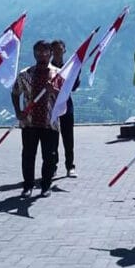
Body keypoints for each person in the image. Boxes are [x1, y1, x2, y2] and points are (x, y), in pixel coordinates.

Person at [11, 40, 62, 198]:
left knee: (49, 156)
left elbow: (64, 96)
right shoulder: (25, 74)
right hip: (29, 122)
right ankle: (28, 186)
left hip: (50, 122)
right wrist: (18, 111)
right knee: (28, 155)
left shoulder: (58, 74)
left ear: (50, 53)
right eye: (38, 52)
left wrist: (53, 90)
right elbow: (15, 93)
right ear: (34, 54)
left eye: (45, 52)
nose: (42, 55)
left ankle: (46, 186)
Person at [51, 40, 79, 178]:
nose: (57, 52)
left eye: (60, 49)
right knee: (52, 138)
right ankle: (53, 166)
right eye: (54, 49)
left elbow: (73, 87)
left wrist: (76, 74)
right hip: (51, 106)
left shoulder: (69, 67)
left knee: (68, 138)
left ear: (64, 51)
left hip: (67, 105)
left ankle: (70, 166)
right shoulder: (47, 68)